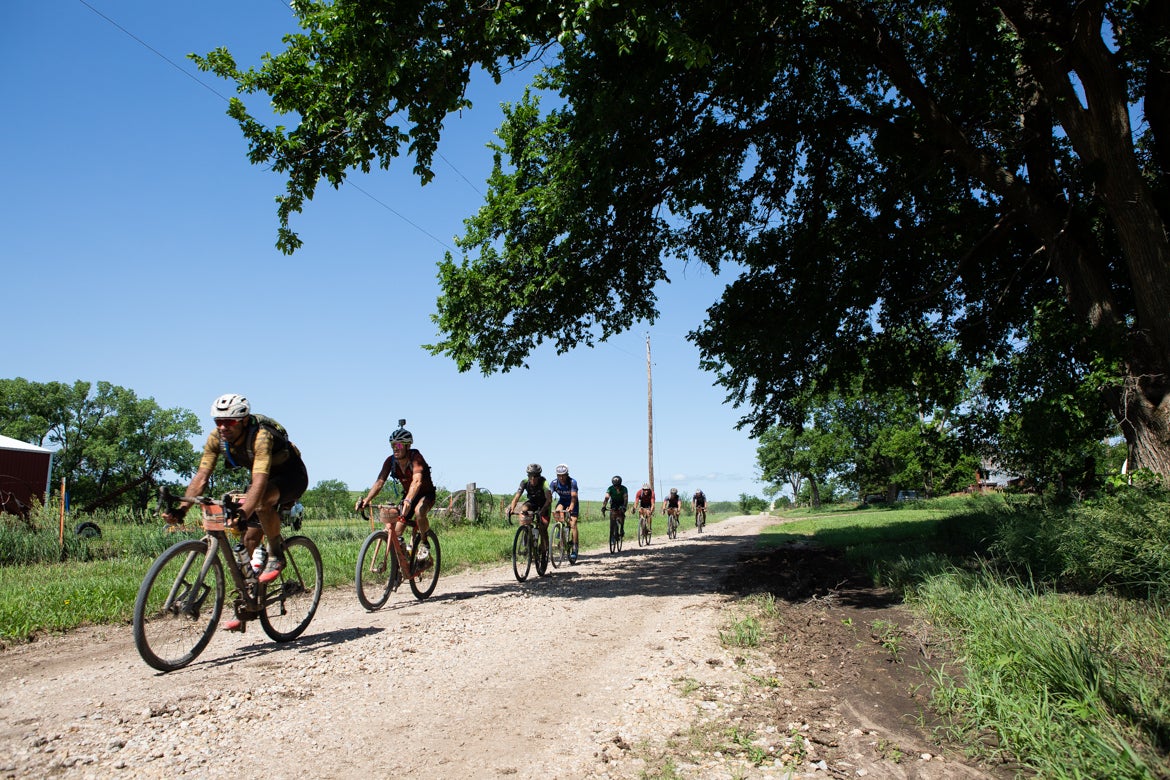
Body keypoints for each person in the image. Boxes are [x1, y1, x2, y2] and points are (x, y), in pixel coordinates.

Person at [163, 393, 308, 630]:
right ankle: (246, 606)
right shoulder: (217, 438)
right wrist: (182, 509)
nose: (222, 427)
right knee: (247, 542)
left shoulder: (261, 437)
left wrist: (242, 513)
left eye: (229, 422)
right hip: (261, 481)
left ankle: (276, 554)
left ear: (243, 420)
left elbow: (260, 481)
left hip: (290, 478)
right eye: (218, 421)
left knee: (259, 502)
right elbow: (201, 476)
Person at [354, 419, 437, 568]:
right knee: (396, 532)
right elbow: (379, 482)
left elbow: (417, 481)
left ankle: (424, 544)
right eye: (393, 445)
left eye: (398, 445)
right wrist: (366, 500)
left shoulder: (415, 457)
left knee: (419, 511)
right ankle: (405, 559)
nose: (395, 448)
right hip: (409, 496)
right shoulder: (390, 461)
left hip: (425, 494)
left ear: (407, 446)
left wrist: (409, 500)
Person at [506, 463, 552, 553]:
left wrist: (542, 511)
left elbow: (549, 500)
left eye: (535, 476)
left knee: (543, 527)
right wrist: (512, 508)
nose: (533, 479)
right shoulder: (524, 482)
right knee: (524, 509)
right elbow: (516, 497)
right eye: (530, 476)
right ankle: (526, 533)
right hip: (533, 502)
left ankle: (544, 549)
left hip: (544, 504)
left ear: (539, 476)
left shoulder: (544, 482)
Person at [548, 463, 581, 562]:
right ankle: (559, 529)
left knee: (573, 524)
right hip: (562, 501)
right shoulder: (554, 483)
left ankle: (575, 548)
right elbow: (549, 495)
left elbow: (574, 497)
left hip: (573, 502)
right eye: (559, 475)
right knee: (558, 511)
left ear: (567, 474)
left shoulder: (572, 482)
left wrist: (571, 507)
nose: (561, 477)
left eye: (563, 475)